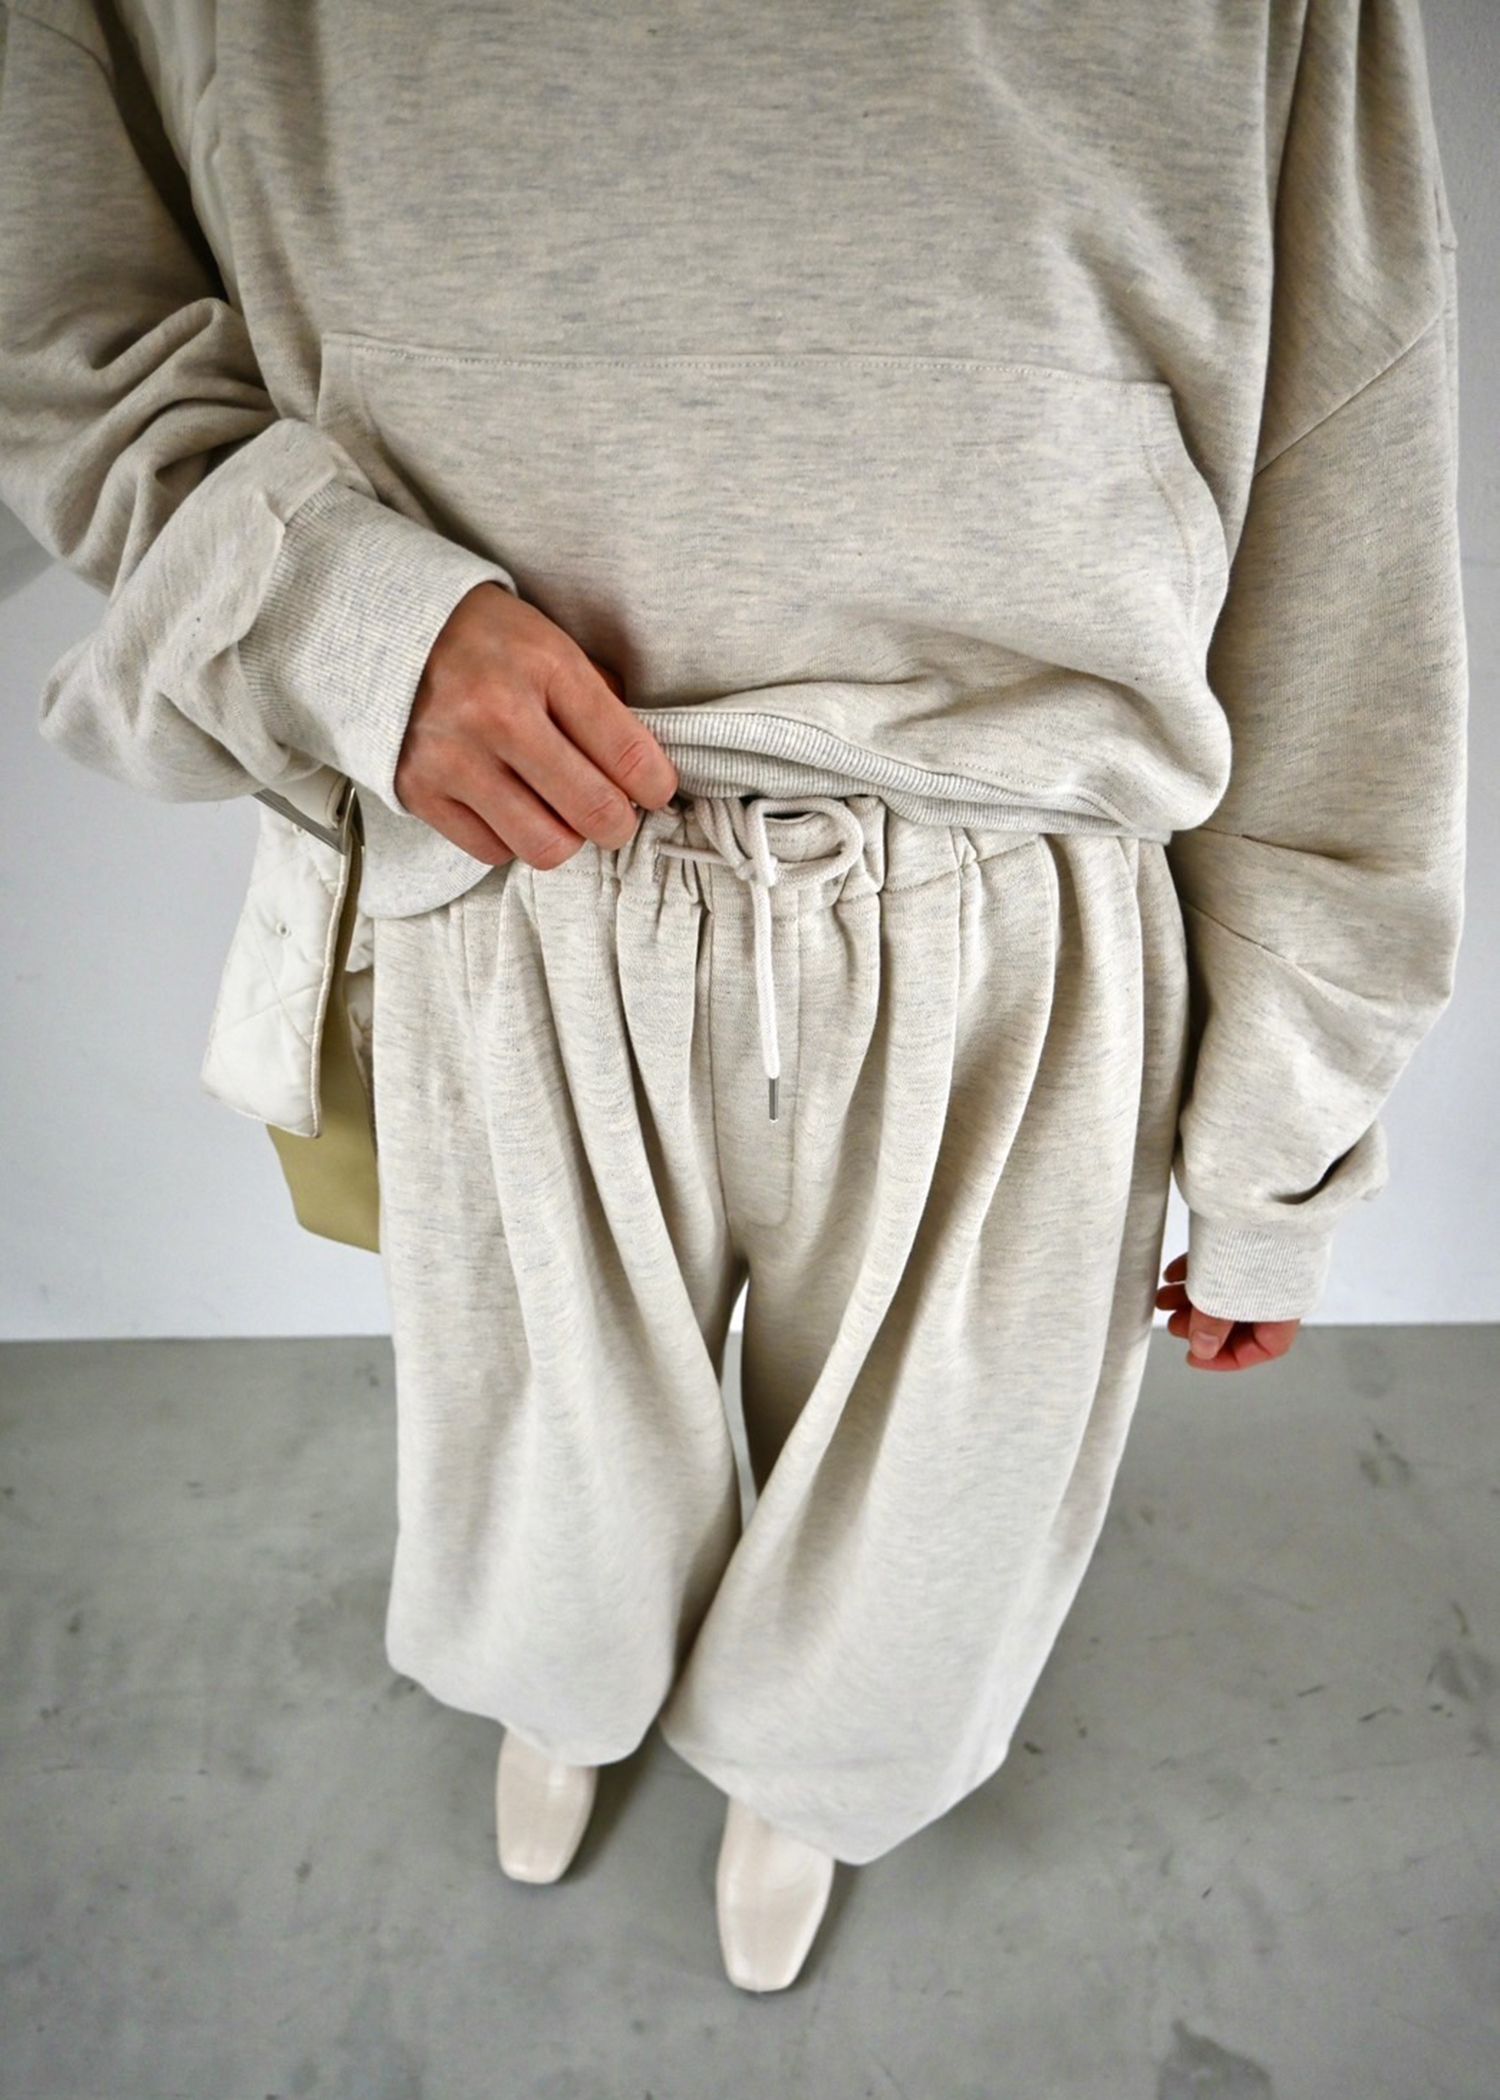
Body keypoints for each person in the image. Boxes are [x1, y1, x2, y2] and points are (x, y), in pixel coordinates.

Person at [0, 0, 1466, 1994]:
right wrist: (328, 609)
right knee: (546, 1463)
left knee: (938, 1506)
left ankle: (811, 1767)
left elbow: (1347, 477)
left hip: (1015, 895)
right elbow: (54, 296)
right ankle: (567, 1688)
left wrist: (1286, 1125)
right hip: (516, 860)